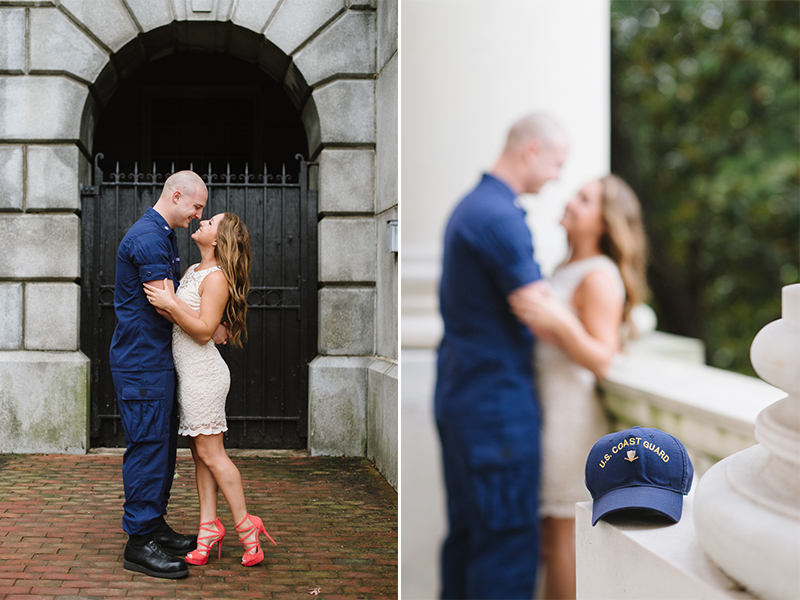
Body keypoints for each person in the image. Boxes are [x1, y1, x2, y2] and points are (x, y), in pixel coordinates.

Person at [434, 113, 569, 599]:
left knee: (470, 540)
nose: (558, 175)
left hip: (464, 394)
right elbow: (538, 309)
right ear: (531, 151)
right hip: (495, 408)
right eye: (557, 162)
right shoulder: (499, 216)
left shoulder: (472, 207)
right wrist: (602, 346)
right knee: (507, 547)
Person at [508, 174, 649, 599]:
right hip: (544, 413)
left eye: (584, 200)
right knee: (548, 539)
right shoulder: (563, 268)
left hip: (570, 422)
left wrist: (560, 324)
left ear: (603, 223)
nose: (571, 200)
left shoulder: (598, 276)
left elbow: (603, 358)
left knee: (560, 537)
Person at [144, 212, 278, 568]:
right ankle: (207, 530)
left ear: (219, 240)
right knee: (200, 454)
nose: (202, 221)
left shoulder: (216, 278)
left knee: (213, 454)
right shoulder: (191, 271)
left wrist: (171, 304)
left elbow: (203, 332)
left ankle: (247, 528)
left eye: (211, 222)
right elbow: (195, 323)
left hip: (204, 375)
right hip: (189, 374)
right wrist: (173, 307)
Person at [110, 170, 213, 579]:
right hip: (141, 362)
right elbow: (162, 303)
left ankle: (153, 526)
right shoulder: (149, 237)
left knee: (162, 444)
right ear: (176, 195)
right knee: (148, 445)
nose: (198, 214)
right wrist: (205, 322)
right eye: (196, 206)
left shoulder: (163, 234)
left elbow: (171, 298)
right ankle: (138, 543)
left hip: (154, 360)